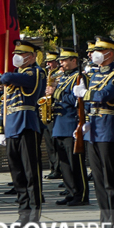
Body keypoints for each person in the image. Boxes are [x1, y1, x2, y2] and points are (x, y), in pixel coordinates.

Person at [74, 36, 114, 228]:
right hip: (93, 130)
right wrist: (84, 119)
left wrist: (85, 94)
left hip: (107, 129)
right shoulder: (94, 75)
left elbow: (104, 96)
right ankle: (104, 222)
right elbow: (90, 99)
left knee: (111, 179)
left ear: (110, 54)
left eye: (100, 50)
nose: (95, 54)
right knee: (99, 180)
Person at [0, 40, 47, 227]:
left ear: (33, 56)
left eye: (23, 54)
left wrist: (6, 77)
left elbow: (27, 83)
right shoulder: (14, 75)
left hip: (27, 125)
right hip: (12, 126)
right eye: (16, 54)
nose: (17, 57)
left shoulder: (36, 72)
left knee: (30, 172)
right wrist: (1, 128)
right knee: (17, 173)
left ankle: (34, 213)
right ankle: (23, 211)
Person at [49, 47, 90, 207]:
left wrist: (56, 93)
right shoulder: (62, 77)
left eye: (65, 60)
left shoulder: (79, 77)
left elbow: (77, 99)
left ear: (74, 61)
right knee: (64, 163)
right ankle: (71, 191)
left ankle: (81, 194)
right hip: (59, 123)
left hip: (71, 123)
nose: (61, 63)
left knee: (75, 163)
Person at [42, 51, 63, 179]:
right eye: (47, 62)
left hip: (58, 111)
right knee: (49, 143)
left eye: (51, 62)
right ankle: (53, 167)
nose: (49, 64)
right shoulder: (47, 74)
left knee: (56, 143)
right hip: (47, 109)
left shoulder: (60, 75)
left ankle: (58, 168)